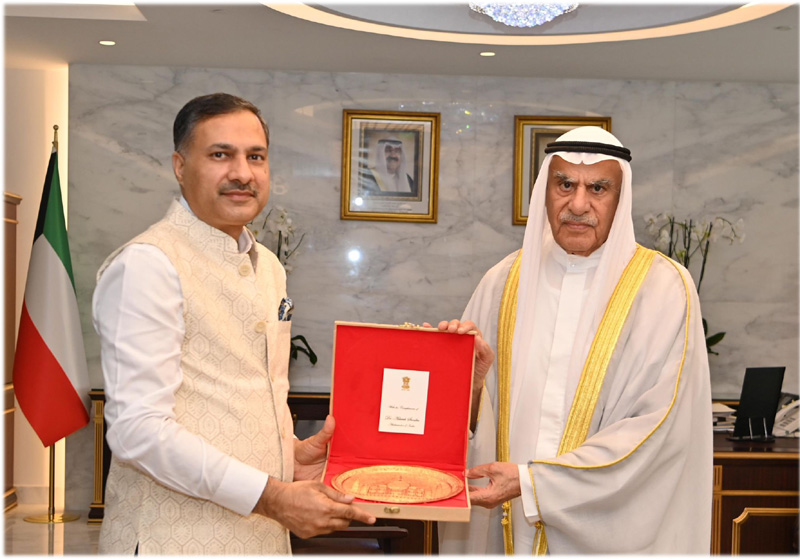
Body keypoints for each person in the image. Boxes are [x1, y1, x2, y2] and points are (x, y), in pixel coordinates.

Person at [93, 93, 375, 554]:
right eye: (220, 155)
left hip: (260, 539)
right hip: (173, 542)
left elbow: (236, 394)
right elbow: (137, 432)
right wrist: (273, 496)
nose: (243, 173)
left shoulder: (269, 266)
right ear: (180, 166)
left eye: (255, 157)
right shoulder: (149, 264)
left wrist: (288, 456)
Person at [436, 126, 712, 554]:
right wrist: (470, 390)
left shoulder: (663, 290)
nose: (578, 204)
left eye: (598, 188)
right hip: (504, 531)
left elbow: (657, 429)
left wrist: (533, 483)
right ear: (545, 192)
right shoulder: (502, 282)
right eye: (565, 184)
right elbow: (466, 421)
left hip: (606, 535)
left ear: (620, 198)